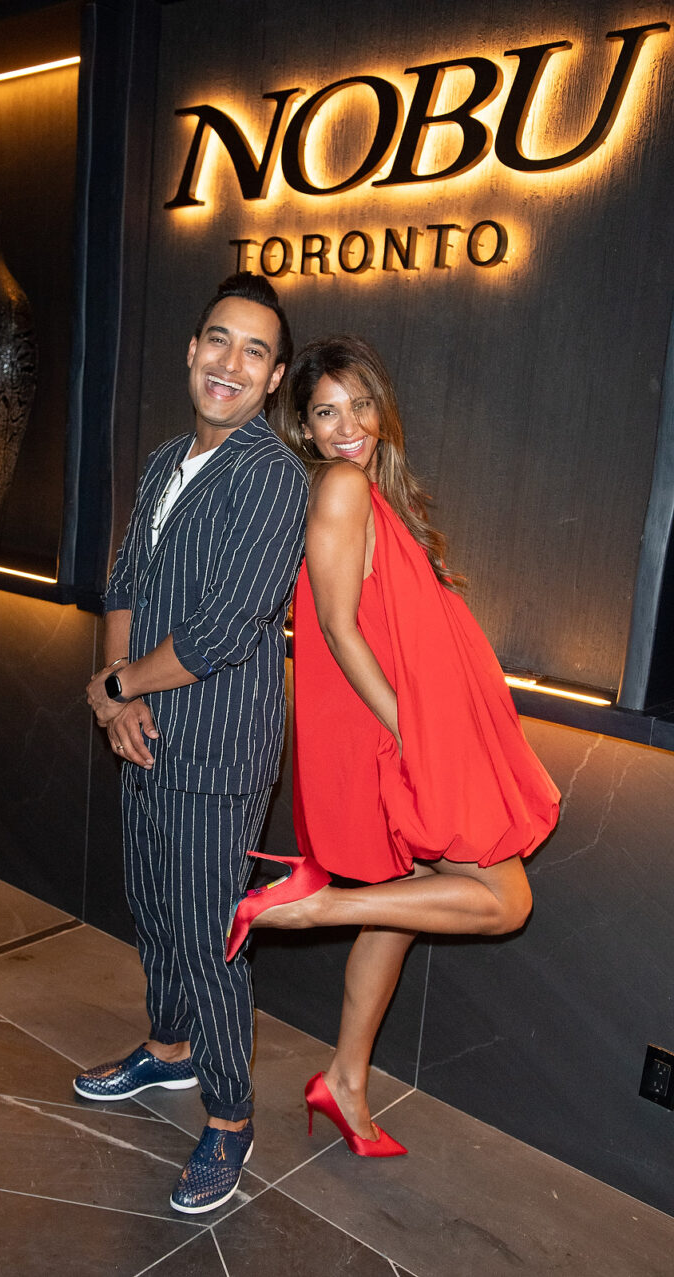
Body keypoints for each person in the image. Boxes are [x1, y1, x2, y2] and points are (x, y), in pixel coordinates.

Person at [226, 334, 560, 1156]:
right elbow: (336, 630)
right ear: (304, 428)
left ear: (381, 406)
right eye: (324, 412)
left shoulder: (380, 500)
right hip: (396, 738)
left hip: (410, 731)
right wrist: (418, 737)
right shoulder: (339, 486)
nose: (346, 427)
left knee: (404, 909)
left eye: (358, 405)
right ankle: (313, 906)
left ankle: (344, 1078)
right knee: (504, 899)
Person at [79, 273, 307, 1214]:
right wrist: (112, 694)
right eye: (219, 340)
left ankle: (229, 1117)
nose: (230, 363)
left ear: (274, 376)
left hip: (214, 748)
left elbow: (222, 630)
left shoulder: (275, 476)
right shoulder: (169, 457)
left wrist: (116, 684)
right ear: (192, 349)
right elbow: (124, 579)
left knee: (211, 936)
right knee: (152, 904)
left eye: (254, 352)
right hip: (143, 730)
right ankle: (168, 1050)